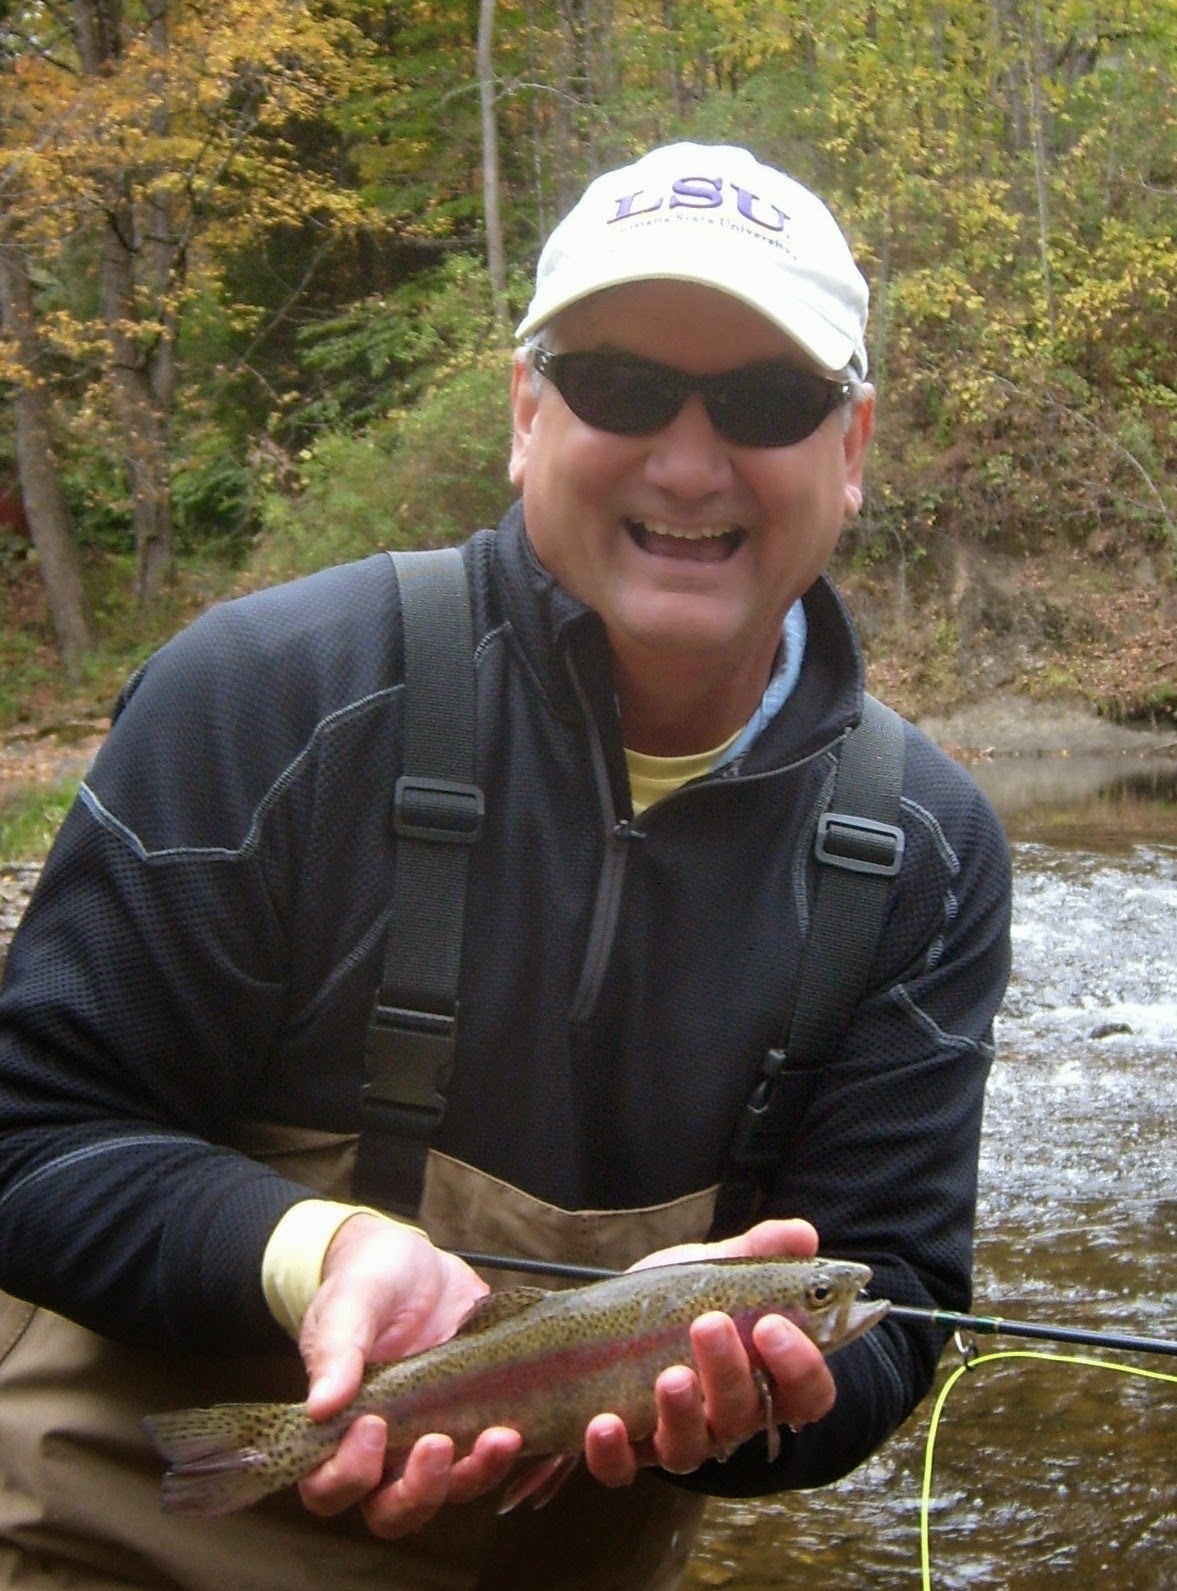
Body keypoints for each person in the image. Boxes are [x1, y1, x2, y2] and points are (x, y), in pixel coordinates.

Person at [0, 141, 1012, 1590]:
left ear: (849, 450)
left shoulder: (926, 851)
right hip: (134, 1551)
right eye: (619, 385)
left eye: (765, 401)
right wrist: (307, 1252)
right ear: (528, 414)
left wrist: (740, 1398)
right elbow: (31, 1140)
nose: (688, 461)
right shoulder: (262, 696)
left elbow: (898, 1303)